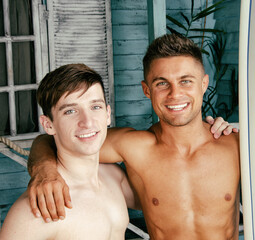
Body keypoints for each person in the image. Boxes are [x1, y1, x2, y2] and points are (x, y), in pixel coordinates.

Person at [27, 34, 240, 240]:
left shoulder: (234, 144)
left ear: (204, 84)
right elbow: (52, 140)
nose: (175, 94)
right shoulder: (133, 147)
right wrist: (44, 170)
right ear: (146, 90)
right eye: (162, 83)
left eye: (186, 81)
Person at [0, 64, 138, 239]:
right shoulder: (36, 209)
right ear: (48, 124)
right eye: (70, 111)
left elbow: (162, 203)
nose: (87, 122)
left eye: (95, 107)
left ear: (108, 114)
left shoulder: (114, 177)